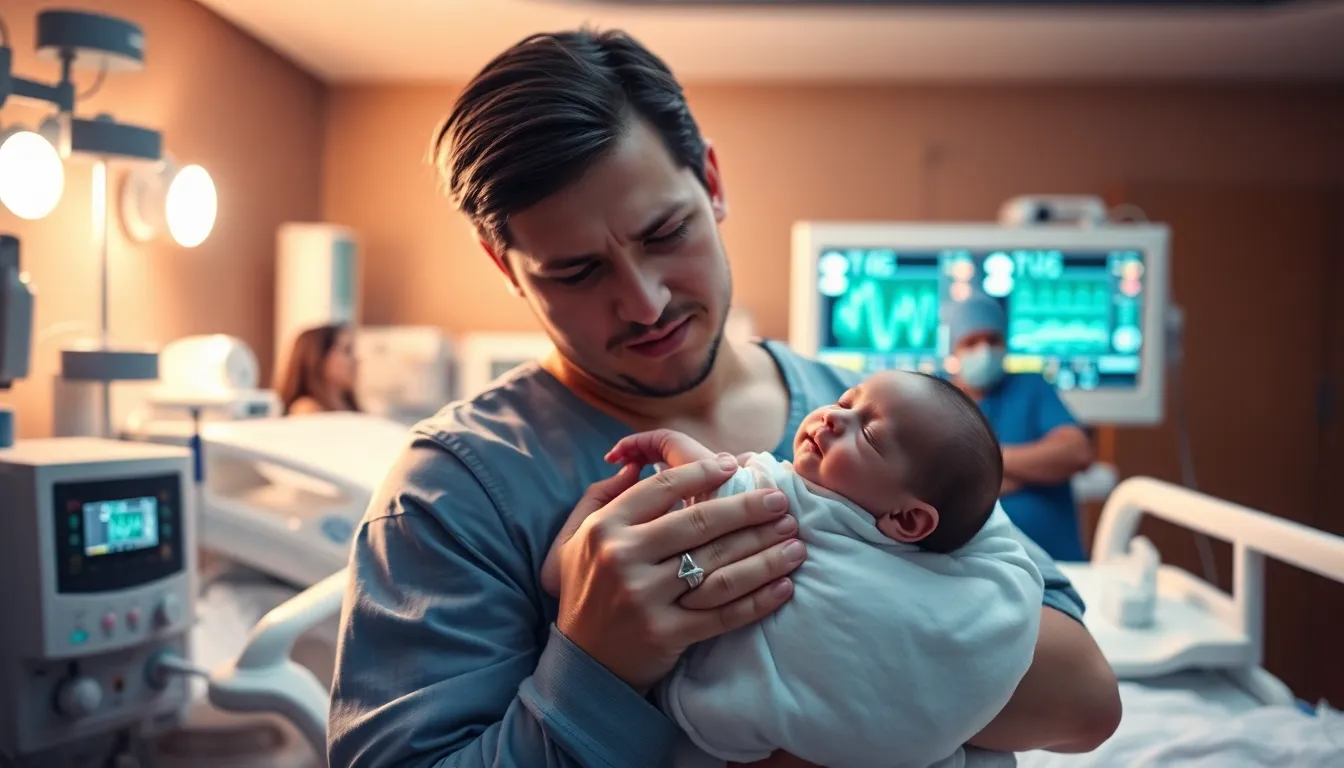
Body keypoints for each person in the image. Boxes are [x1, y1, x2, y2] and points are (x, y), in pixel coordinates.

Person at [327, 28, 1121, 768]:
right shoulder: (455, 493)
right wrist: (596, 661)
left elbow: (1085, 700)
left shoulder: (871, 416)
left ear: (711, 183)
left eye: (665, 232)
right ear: (505, 267)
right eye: (575, 271)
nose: (643, 302)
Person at [538, 370, 1045, 768]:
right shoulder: (983, 578)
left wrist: (674, 447)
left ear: (909, 519)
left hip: (721, 721)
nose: (832, 418)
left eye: (867, 434)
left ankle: (565, 566)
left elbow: (725, 489)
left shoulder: (803, 503)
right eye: (845, 402)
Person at [945, 295, 1095, 562]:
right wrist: (1036, 469)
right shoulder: (938, 398)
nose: (984, 349)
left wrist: (985, 463)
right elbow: (936, 482)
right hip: (970, 568)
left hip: (1056, 564)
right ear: (954, 349)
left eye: (993, 340)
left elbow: (1076, 452)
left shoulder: (1031, 388)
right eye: (971, 342)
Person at [276, 323, 361, 416]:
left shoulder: (348, 405)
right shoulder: (307, 410)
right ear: (320, 359)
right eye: (347, 350)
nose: (355, 360)